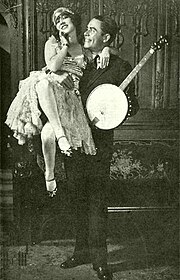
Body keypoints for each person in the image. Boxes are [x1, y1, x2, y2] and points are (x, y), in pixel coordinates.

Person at [59, 15, 139, 280]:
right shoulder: (76, 60)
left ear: (106, 38)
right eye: (87, 29)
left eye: (93, 30)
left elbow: (132, 105)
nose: (86, 33)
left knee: (96, 200)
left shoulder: (119, 66)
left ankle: (100, 260)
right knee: (76, 197)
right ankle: (81, 250)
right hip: (73, 140)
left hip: (99, 143)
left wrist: (116, 110)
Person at [5, 7, 112, 197]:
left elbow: (100, 46)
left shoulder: (84, 46)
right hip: (49, 93)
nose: (60, 21)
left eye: (64, 17)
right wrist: (63, 46)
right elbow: (53, 66)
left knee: (48, 133)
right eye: (56, 21)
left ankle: (49, 174)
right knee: (43, 82)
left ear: (74, 21)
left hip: (71, 97)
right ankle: (61, 137)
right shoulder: (52, 43)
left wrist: (106, 49)